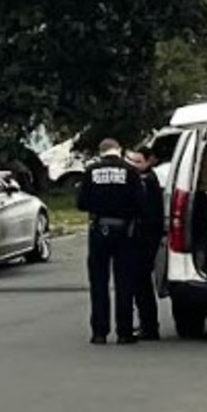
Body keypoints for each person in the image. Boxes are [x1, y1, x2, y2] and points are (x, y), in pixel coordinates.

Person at [77, 138, 147, 345]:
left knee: (99, 283)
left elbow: (81, 203)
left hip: (99, 230)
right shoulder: (130, 172)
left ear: (101, 152)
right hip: (125, 232)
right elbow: (141, 204)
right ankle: (124, 332)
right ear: (120, 150)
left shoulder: (91, 171)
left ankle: (99, 332)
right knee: (124, 282)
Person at [127, 147, 164, 341]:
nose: (133, 165)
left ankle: (149, 326)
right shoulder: (144, 180)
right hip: (145, 237)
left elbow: (147, 213)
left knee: (141, 283)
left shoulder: (147, 182)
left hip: (145, 239)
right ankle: (147, 323)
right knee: (140, 283)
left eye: (138, 162)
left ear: (149, 161)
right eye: (131, 161)